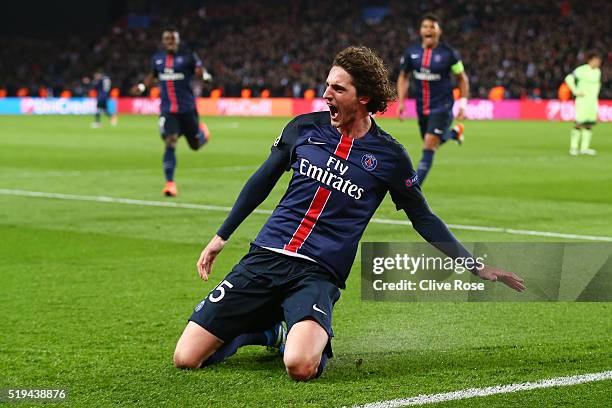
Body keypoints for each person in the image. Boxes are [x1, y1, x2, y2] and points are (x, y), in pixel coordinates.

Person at [173, 46, 524, 381]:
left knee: (299, 366)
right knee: (186, 358)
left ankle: (289, 332)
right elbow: (261, 180)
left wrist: (473, 265)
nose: (326, 94)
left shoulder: (389, 156)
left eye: (337, 88)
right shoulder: (303, 128)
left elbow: (423, 217)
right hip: (265, 256)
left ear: (364, 98)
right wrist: (222, 236)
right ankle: (268, 329)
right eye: (326, 85)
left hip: (317, 272)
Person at [133, 28, 213, 197]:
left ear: (177, 40)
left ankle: (203, 134)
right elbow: (152, 76)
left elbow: (200, 70)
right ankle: (170, 184)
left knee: (195, 145)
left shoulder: (188, 56)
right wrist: (142, 86)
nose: (170, 41)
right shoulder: (158, 59)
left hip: (187, 109)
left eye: (172, 39)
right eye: (167, 39)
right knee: (170, 142)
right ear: (163, 41)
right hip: (168, 110)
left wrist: (205, 76)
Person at [397, 13, 469, 186]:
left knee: (429, 146)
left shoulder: (450, 54)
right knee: (431, 141)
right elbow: (403, 76)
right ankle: (454, 133)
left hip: (442, 106)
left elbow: (462, 78)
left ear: (439, 31)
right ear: (421, 31)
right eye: (425, 27)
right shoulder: (411, 53)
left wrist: (463, 103)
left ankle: (414, 187)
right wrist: (401, 102)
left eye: (432, 27)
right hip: (422, 106)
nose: (428, 30)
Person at [565, 51, 602, 156]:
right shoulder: (582, 70)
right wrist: (575, 90)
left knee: (589, 124)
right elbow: (568, 78)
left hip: (592, 102)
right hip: (582, 101)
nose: (598, 63)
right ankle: (573, 148)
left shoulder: (598, 72)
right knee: (579, 123)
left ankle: (584, 148)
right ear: (591, 60)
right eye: (597, 61)